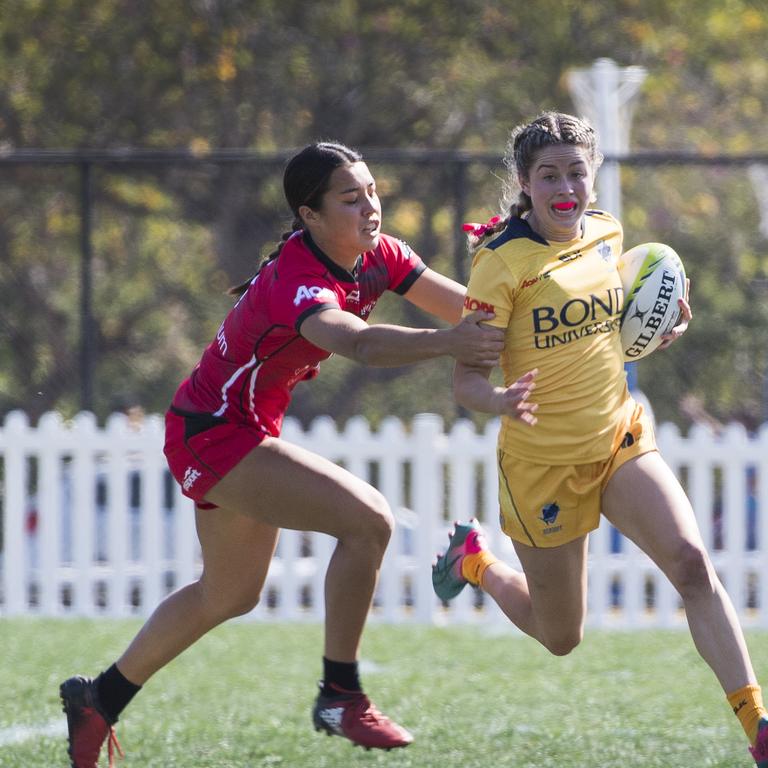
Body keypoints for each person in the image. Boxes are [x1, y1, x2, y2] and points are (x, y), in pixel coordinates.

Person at [59, 140, 505, 767]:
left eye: (373, 192)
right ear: (310, 216)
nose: (371, 208)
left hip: (233, 428)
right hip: (213, 432)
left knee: (228, 594)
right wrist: (450, 342)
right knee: (370, 520)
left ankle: (98, 697)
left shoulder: (380, 254)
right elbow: (363, 346)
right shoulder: (300, 280)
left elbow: (471, 310)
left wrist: (573, 322)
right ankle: (339, 694)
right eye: (351, 199)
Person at [431, 111, 767, 766]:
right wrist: (494, 398)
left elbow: (615, 334)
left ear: (595, 175)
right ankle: (476, 561)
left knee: (693, 565)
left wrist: (664, 325)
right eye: (548, 174)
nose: (565, 186)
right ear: (525, 184)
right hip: (541, 469)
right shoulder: (499, 264)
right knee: (561, 637)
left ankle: (757, 725)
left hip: (618, 440)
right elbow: (465, 381)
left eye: (576, 171)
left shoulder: (610, 236)